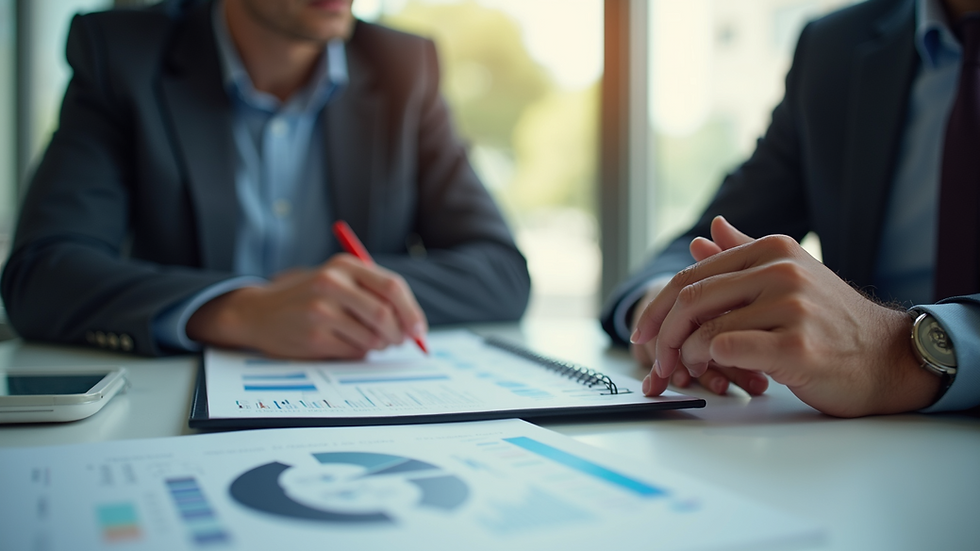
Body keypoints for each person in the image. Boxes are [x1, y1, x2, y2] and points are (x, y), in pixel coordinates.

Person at [0, 0, 530, 359]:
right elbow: (42, 275)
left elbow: (500, 273)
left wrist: (342, 300)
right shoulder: (123, 56)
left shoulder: (402, 67)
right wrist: (238, 310)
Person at [601, 0, 980, 417]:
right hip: (853, 449)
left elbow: (879, 352)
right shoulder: (834, 46)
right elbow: (709, 238)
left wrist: (898, 352)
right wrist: (674, 304)